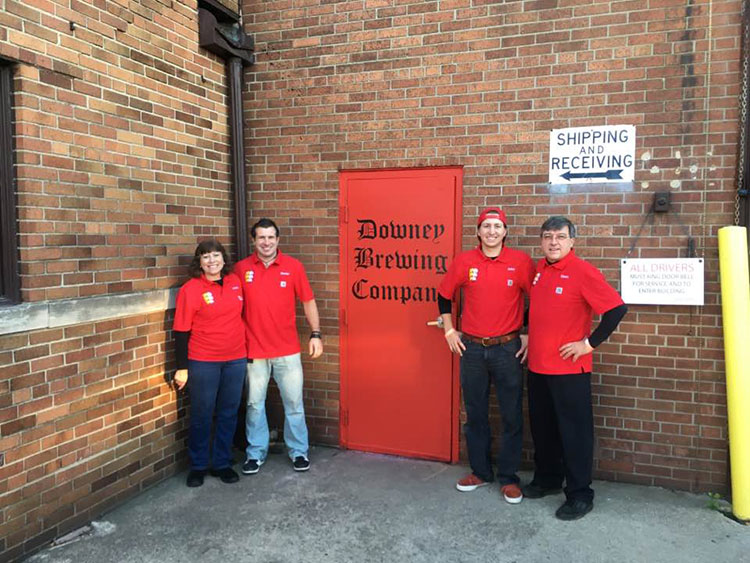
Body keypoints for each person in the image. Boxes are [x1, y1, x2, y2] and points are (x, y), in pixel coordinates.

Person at [524, 216, 628, 520]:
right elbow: (539, 309)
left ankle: (581, 494)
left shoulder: (582, 271)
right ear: (541, 241)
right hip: (538, 368)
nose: (553, 242)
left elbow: (616, 309)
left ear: (572, 241)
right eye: (547, 236)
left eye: (559, 236)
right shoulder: (540, 270)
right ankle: (548, 480)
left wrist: (589, 344)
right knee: (543, 431)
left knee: (575, 435)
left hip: (570, 372)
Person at [437, 207, 535, 504]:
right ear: (478, 232)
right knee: (476, 414)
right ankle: (480, 472)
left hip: (508, 348)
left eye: (498, 226)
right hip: (472, 348)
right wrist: (449, 329)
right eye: (486, 226)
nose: (492, 231)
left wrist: (528, 332)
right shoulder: (464, 262)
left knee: (511, 415)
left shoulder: (520, 262)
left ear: (505, 232)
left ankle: (509, 478)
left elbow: (536, 297)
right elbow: (444, 294)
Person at [234, 218, 323, 474]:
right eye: (261, 237)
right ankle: (255, 453)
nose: (266, 242)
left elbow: (308, 301)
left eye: (271, 237)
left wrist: (315, 333)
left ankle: (298, 452)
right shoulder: (240, 270)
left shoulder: (293, 267)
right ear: (254, 241)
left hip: (288, 350)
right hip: (254, 351)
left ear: (278, 239)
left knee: (294, 403)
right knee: (254, 405)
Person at [173, 240, 247, 487]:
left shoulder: (236, 283)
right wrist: (182, 367)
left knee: (228, 412)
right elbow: (181, 330)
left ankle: (222, 463)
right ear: (199, 263)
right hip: (203, 361)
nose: (212, 261)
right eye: (206, 257)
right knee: (202, 414)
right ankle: (198, 465)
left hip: (235, 359)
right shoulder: (191, 289)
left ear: (224, 260)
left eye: (216, 255)